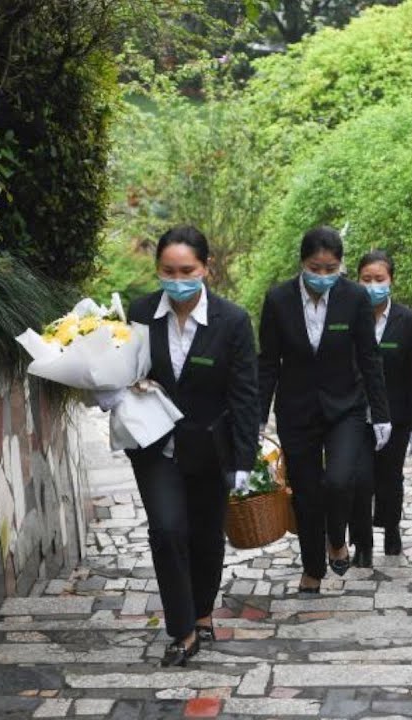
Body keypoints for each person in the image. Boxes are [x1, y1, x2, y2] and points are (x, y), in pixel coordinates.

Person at [102, 225, 261, 667]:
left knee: (206, 536)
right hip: (154, 446)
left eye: (187, 270)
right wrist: (108, 391)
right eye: (168, 271)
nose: (177, 279)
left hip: (210, 447)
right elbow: (120, 368)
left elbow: (245, 393)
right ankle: (184, 629)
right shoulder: (141, 312)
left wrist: (244, 457)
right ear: (158, 271)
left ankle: (204, 609)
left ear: (205, 269)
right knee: (167, 530)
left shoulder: (232, 321)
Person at [257, 226, 391, 595]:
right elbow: (268, 363)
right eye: (315, 268)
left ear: (340, 266)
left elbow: (369, 357)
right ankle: (313, 568)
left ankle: (336, 538)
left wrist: (381, 414)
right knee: (306, 493)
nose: (322, 276)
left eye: (330, 268)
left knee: (338, 480)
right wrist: (256, 417)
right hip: (296, 409)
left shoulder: (354, 299)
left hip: (345, 406)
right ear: (302, 263)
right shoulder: (278, 300)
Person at [348, 250, 412, 568]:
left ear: (391, 280)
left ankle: (391, 527)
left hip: (397, 417)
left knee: (390, 481)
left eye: (379, 279)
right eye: (366, 279)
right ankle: (362, 545)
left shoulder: (408, 321)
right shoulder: (349, 319)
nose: (372, 285)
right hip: (356, 416)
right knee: (359, 481)